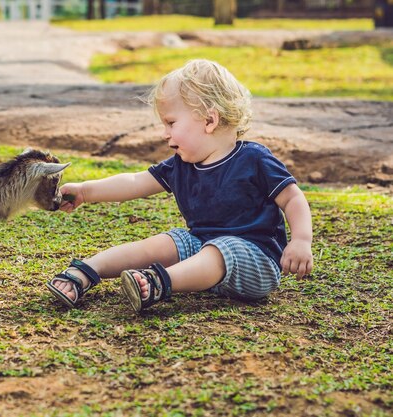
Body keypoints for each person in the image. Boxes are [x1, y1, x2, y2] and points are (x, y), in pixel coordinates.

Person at [46, 59, 313, 313]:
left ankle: (159, 283)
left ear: (210, 121)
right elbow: (135, 181)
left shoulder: (255, 159)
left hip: (256, 260)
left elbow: (292, 198)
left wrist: (301, 240)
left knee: (223, 249)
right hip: (202, 246)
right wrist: (85, 191)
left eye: (171, 123)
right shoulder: (181, 165)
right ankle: (85, 272)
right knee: (166, 242)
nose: (165, 134)